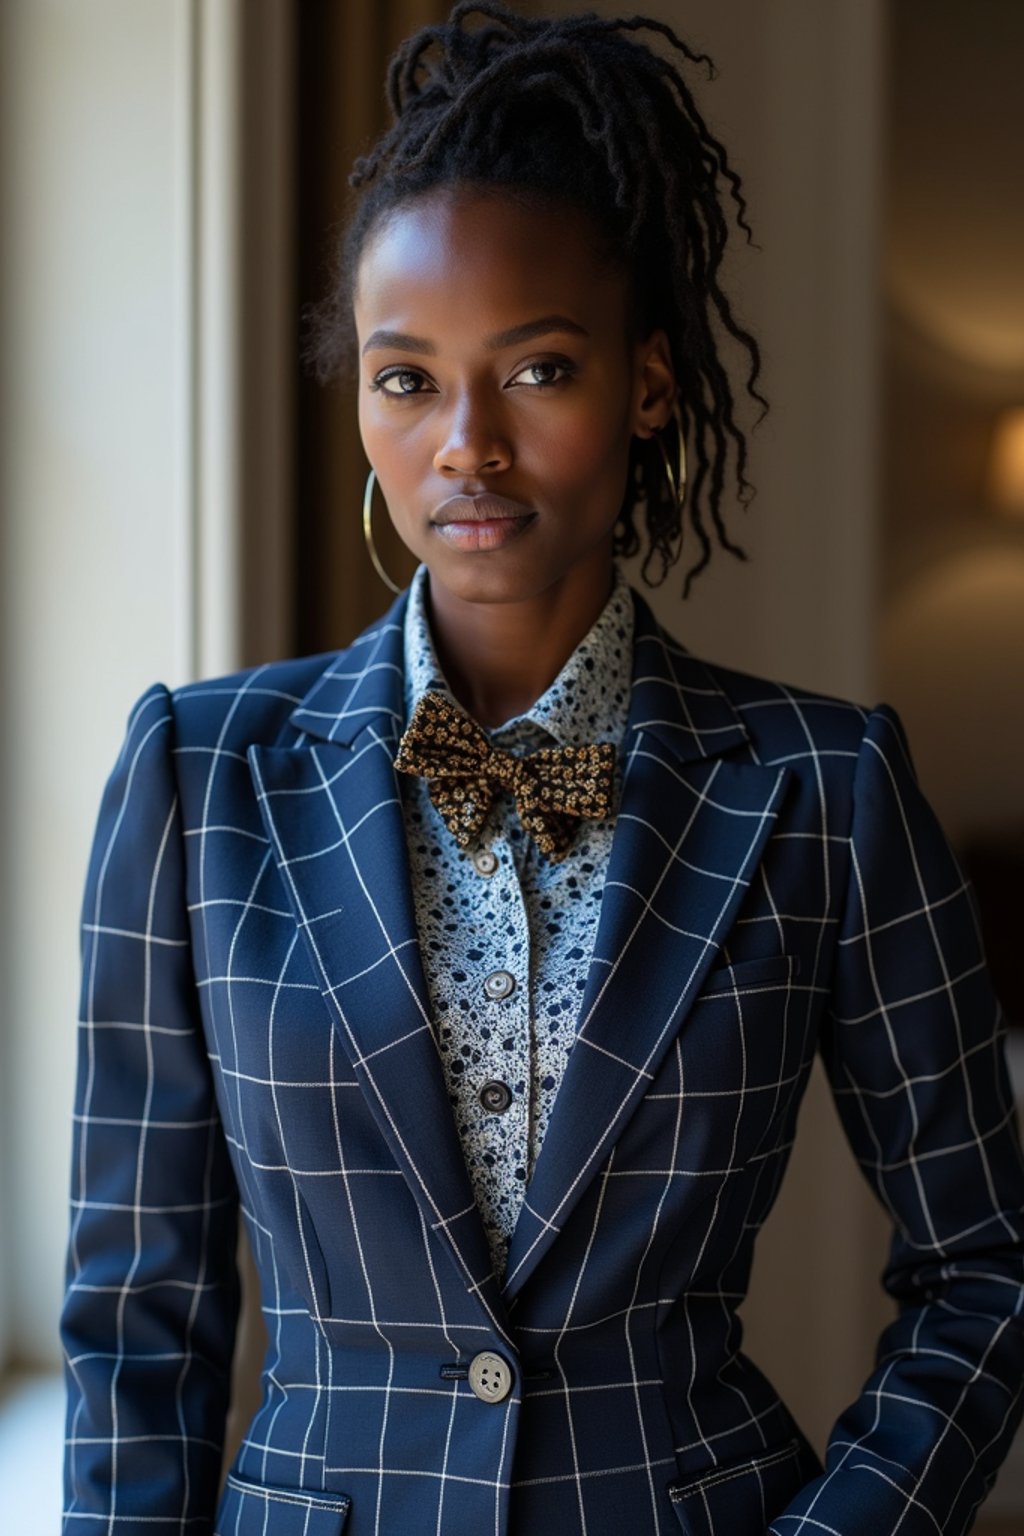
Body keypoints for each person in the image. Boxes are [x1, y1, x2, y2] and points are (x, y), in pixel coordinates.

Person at [60, 5, 1024, 1534]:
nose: (466, 446)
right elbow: (137, 1316)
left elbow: (991, 1265)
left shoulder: (825, 789)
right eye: (405, 379)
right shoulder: (196, 777)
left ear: (646, 387)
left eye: (539, 370)